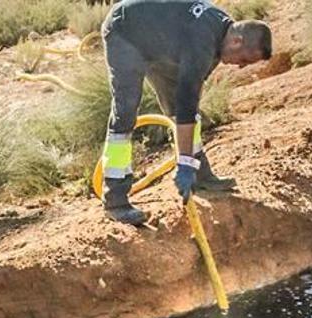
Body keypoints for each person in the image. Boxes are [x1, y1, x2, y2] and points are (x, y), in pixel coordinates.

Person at [99, 0, 272, 225]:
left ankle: (201, 174)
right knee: (126, 111)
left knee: (183, 106)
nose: (241, 66)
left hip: (157, 42)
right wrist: (184, 164)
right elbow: (186, 104)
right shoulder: (203, 41)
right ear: (237, 40)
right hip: (125, 32)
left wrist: (188, 162)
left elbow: (190, 98)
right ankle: (115, 200)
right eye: (245, 60)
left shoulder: (220, 36)